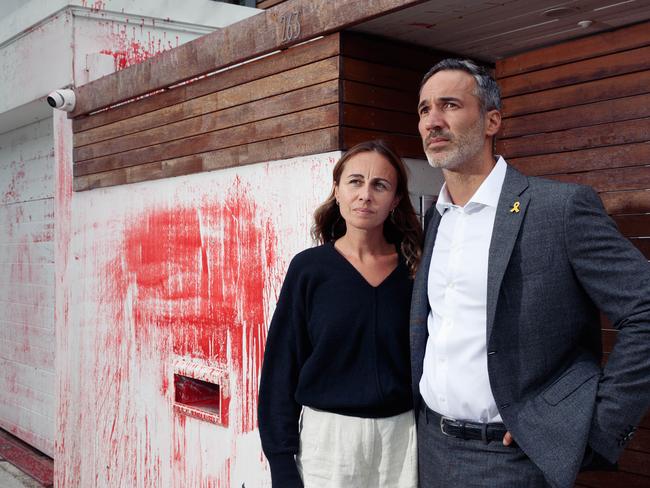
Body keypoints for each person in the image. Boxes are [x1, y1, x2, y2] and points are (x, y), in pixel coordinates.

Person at [410, 58, 650, 488]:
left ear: (492, 120)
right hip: (431, 449)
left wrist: (594, 430)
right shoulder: (437, 219)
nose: (433, 121)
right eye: (425, 109)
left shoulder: (558, 209)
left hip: (514, 460)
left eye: (449, 105)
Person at [258, 140, 423, 487]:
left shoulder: (416, 270)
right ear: (337, 189)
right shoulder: (309, 270)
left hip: (403, 439)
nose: (366, 194)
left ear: (394, 200)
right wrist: (282, 464)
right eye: (355, 181)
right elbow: (280, 370)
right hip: (328, 442)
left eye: (380, 185)